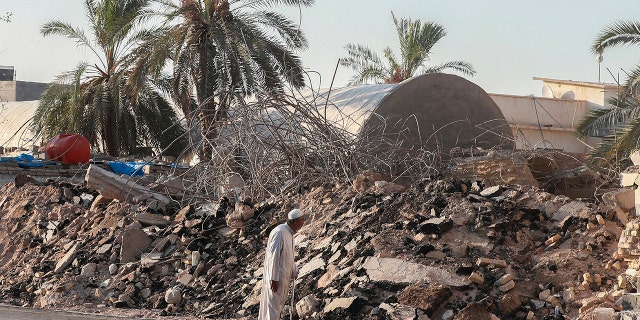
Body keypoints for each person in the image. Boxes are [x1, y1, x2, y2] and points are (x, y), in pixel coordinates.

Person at [258, 208, 306, 319]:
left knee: (277, 306)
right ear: (295, 221)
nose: (304, 222)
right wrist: (273, 279)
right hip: (276, 279)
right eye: (302, 220)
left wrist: (294, 269)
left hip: (284, 277)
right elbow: (273, 257)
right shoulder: (280, 232)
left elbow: (288, 255)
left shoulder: (289, 233)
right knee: (273, 308)